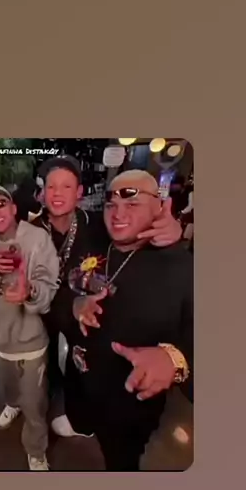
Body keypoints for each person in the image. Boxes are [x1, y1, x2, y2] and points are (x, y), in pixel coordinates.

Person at [31, 155, 183, 438]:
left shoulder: (97, 226)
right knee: (51, 359)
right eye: (51, 186)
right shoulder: (30, 227)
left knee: (85, 367)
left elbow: (135, 235)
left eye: (66, 186)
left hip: (90, 320)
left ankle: (88, 421)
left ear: (79, 192)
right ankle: (63, 400)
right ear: (42, 192)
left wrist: (173, 233)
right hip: (46, 310)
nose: (58, 193)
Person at [66, 170, 193, 471]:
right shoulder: (93, 239)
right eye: (111, 204)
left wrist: (176, 360)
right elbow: (64, 287)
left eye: (132, 203)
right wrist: (75, 305)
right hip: (82, 382)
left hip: (129, 404)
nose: (118, 213)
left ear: (160, 207)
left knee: (120, 458)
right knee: (85, 421)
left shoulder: (182, 268)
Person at [0, 186, 59, 471]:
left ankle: (36, 449)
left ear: (13, 208)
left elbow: (49, 283)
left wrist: (29, 290)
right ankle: (12, 403)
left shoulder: (37, 238)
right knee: (6, 388)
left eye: (0, 203)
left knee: (34, 402)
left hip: (31, 338)